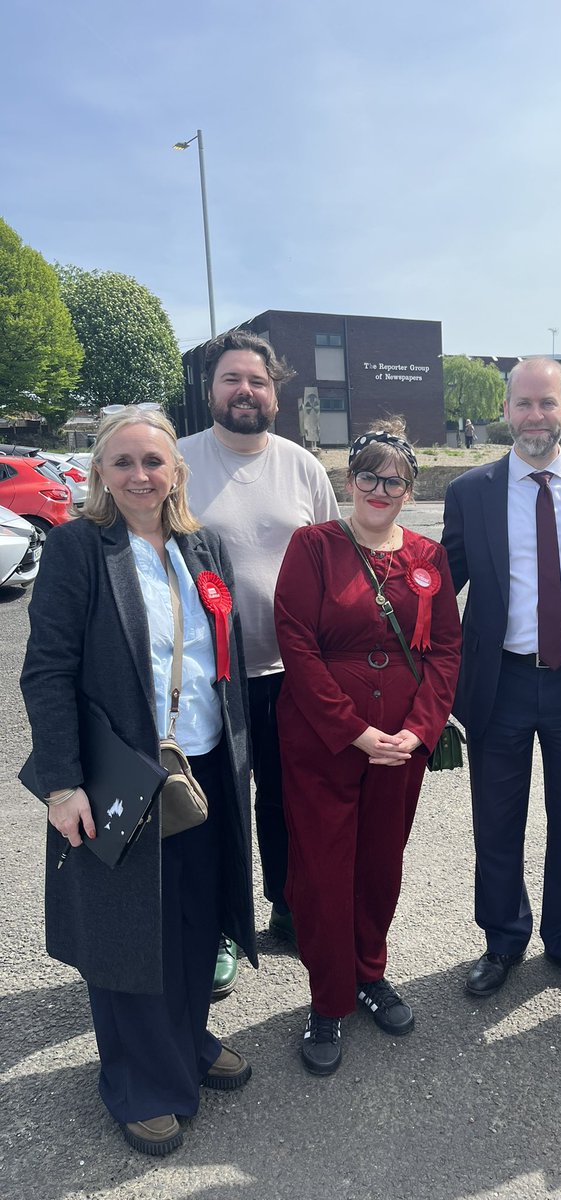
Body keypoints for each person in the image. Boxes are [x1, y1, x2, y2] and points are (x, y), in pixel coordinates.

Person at [20, 408, 257, 1156]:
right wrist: (63, 784)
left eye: (153, 461)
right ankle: (139, 1082)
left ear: (175, 471)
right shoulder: (78, 548)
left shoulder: (202, 543)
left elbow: (225, 656)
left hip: (203, 764)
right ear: (99, 472)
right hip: (120, 774)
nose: (139, 475)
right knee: (127, 932)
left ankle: (186, 1039)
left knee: (192, 918)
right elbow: (47, 671)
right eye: (122, 462)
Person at [274, 422, 461, 1075]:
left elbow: (443, 650)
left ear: (410, 490)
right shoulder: (314, 546)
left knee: (381, 865)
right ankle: (327, 1000)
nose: (380, 489)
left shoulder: (428, 559)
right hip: (324, 742)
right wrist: (353, 730)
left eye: (394, 480)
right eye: (368, 477)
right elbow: (295, 643)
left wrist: (420, 730)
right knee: (324, 872)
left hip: (400, 744)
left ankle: (368, 973)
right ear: (348, 481)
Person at [442, 358, 561, 1001]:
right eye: (523, 404)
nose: (534, 416)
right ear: (506, 410)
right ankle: (502, 939)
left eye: (547, 404)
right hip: (502, 682)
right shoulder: (473, 492)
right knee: (496, 820)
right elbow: (441, 588)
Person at [179, 329, 338, 999]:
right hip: (208, 680)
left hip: (291, 675)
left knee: (286, 804)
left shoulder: (303, 466)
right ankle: (219, 929)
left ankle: (286, 906)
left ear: (277, 391)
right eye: (231, 379)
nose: (245, 391)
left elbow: (335, 558)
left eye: (257, 381)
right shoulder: (178, 463)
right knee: (215, 809)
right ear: (210, 391)